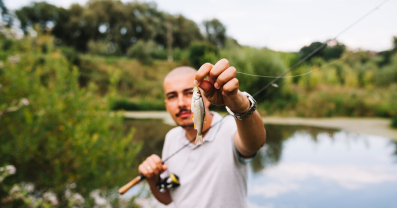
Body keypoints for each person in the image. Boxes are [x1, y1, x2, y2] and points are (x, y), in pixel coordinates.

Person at [138, 59, 266, 207]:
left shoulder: (232, 128)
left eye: (188, 93)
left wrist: (240, 106)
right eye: (172, 96)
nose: (180, 103)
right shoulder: (171, 137)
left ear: (207, 97)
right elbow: (168, 198)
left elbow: (255, 143)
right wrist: (152, 178)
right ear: (166, 104)